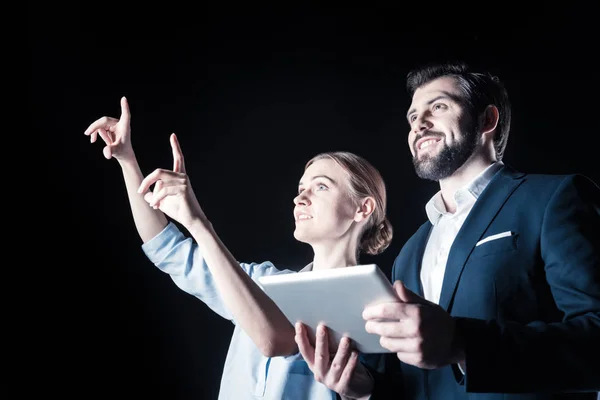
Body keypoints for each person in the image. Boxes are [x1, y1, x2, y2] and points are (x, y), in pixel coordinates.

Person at [83, 97, 393, 400]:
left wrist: (199, 224)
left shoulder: (377, 307)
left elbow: (274, 341)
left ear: (362, 209)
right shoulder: (260, 283)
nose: (300, 198)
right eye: (301, 189)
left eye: (321, 186)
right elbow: (167, 249)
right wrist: (127, 160)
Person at [356, 61, 599, 399]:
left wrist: (464, 344)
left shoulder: (553, 200)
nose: (419, 124)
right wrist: (363, 388)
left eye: (438, 106)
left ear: (487, 120)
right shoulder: (410, 252)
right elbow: (414, 383)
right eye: (412, 117)